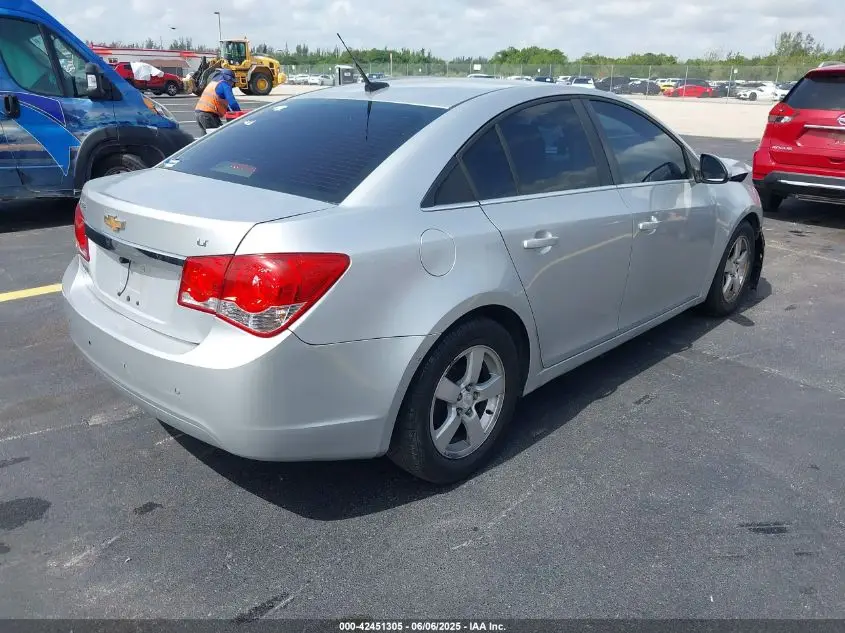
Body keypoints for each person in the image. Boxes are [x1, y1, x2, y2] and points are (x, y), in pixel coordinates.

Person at [194, 68, 241, 135]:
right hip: (208, 116)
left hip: (199, 114)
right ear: (228, 79)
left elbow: (218, 101)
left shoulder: (213, 83)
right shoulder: (224, 85)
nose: (232, 84)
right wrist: (240, 114)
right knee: (216, 137)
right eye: (232, 81)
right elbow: (232, 103)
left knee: (205, 140)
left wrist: (228, 111)